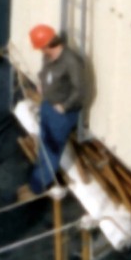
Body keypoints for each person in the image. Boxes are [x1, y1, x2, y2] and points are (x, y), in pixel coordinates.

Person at [19, 24, 86, 199]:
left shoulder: (71, 62)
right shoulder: (48, 56)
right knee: (44, 142)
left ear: (47, 45)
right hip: (48, 105)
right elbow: (44, 72)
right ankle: (37, 178)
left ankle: (38, 187)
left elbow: (80, 91)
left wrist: (64, 106)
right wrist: (41, 82)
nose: (40, 51)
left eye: (40, 48)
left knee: (51, 150)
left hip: (61, 114)